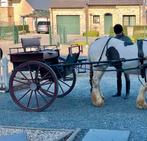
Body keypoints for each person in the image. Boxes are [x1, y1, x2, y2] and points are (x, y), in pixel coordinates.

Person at [112, 24, 133, 98]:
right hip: (118, 62)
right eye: (116, 34)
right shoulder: (114, 39)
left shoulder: (127, 39)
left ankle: (127, 93)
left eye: (118, 34)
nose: (117, 35)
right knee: (118, 77)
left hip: (126, 62)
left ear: (121, 31)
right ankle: (118, 92)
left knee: (127, 77)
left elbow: (132, 48)